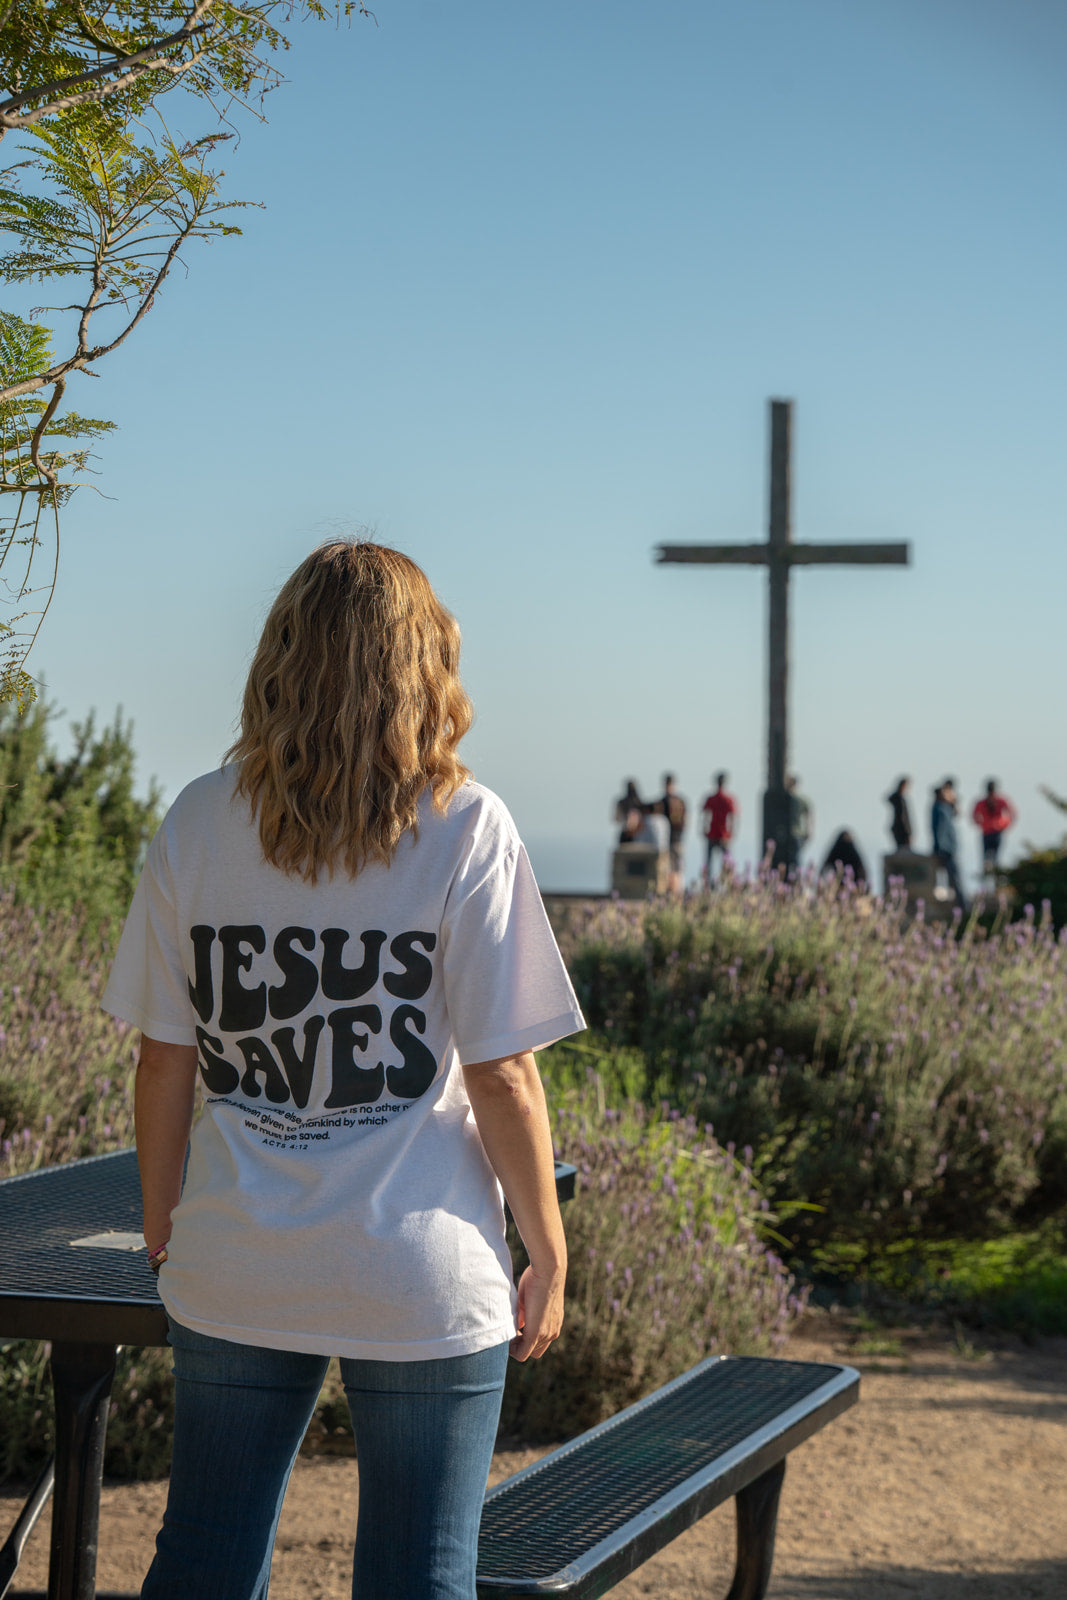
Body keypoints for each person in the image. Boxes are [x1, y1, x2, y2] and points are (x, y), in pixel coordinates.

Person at [101, 542, 586, 1600]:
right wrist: (545, 1246)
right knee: (419, 1574)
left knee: (202, 1559)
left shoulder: (197, 818)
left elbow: (162, 1055)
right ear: (427, 663)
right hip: (420, 1267)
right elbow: (502, 1073)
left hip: (236, 1255)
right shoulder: (466, 825)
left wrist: (161, 1221)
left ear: (279, 657)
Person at [931, 777, 968, 912]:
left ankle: (959, 906)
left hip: (948, 848)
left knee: (953, 880)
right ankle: (961, 907)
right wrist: (940, 849)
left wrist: (954, 801)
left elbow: (957, 812)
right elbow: (940, 831)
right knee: (954, 879)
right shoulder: (939, 809)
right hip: (946, 850)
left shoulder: (945, 808)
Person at [972, 779, 1017, 876]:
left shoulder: (1001, 801)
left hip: (997, 832)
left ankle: (996, 880)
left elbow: (1012, 814)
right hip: (986, 833)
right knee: (985, 860)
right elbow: (974, 815)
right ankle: (986, 881)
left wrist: (1004, 825)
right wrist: (982, 824)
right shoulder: (982, 802)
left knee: (996, 859)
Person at [652, 772, 688, 893]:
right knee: (677, 867)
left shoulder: (663, 802)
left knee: (671, 867)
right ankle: (677, 890)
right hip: (676, 839)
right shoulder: (681, 801)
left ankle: (673, 890)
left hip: (670, 840)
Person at [701, 771, 737, 885]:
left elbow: (705, 816)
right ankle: (727, 885)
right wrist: (731, 833)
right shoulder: (728, 799)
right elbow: (732, 818)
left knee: (709, 864)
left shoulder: (711, 799)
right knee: (727, 864)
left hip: (712, 834)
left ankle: (708, 885)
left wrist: (704, 830)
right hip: (724, 835)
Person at [786, 774, 813, 866]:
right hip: (792, 834)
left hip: (795, 833)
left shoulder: (799, 800)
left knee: (794, 861)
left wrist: (808, 831)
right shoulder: (799, 800)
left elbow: (809, 814)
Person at [614, 779, 645, 845]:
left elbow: (617, 818)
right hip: (638, 833)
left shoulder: (621, 803)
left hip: (625, 832)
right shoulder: (639, 803)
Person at [886, 777, 912, 851]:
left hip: (900, 829)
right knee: (903, 851)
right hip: (901, 830)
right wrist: (908, 833)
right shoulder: (899, 799)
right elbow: (903, 818)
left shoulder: (900, 799)